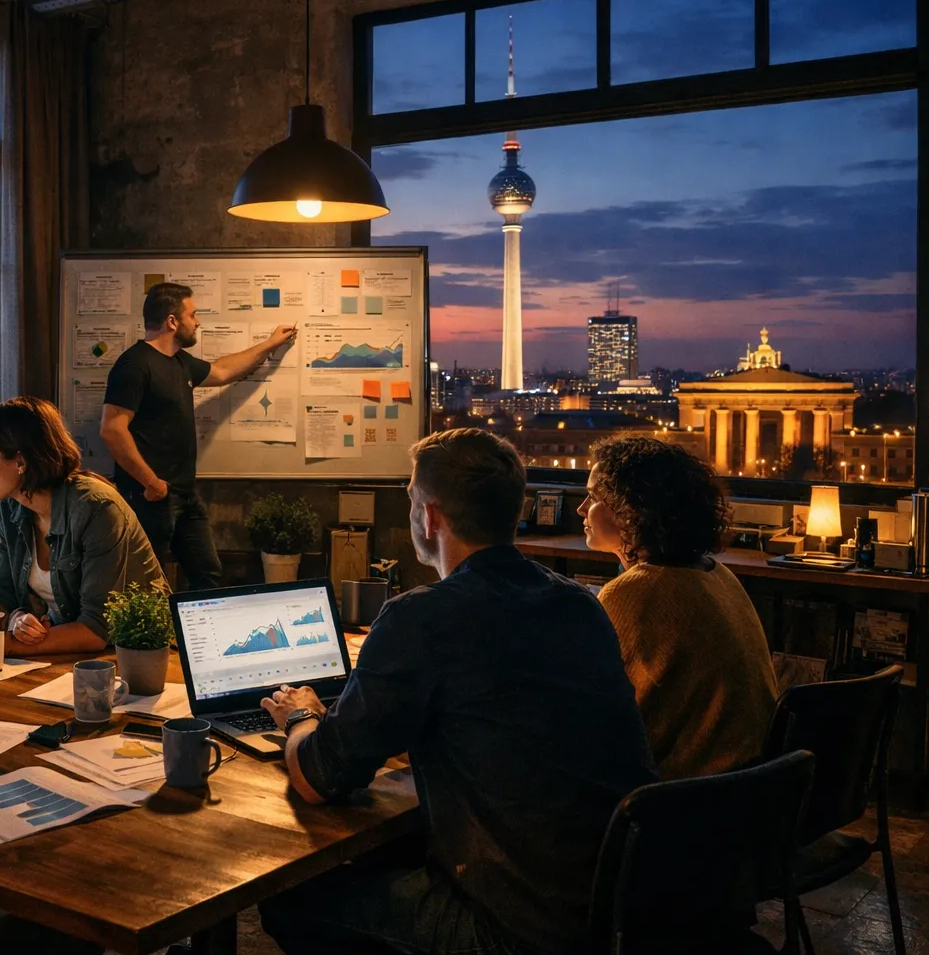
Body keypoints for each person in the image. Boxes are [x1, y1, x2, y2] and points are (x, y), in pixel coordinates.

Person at [257, 428, 656, 955]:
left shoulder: (420, 618)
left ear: (430, 517)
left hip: (513, 928)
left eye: (411, 500)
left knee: (288, 894)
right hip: (616, 907)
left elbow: (318, 779)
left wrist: (301, 716)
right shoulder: (580, 604)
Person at [578, 434, 778, 780]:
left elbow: (594, 710)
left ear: (632, 510)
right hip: (753, 789)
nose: (581, 508)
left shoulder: (634, 591)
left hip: (686, 800)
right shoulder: (718, 575)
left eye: (593, 497)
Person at [0, 396, 166, 656]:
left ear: (21, 462)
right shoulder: (11, 501)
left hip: (137, 657)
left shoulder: (97, 507)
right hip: (68, 653)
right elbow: (2, 590)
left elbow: (95, 630)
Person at [101, 282, 296, 589]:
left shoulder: (179, 362)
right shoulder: (134, 365)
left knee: (208, 575)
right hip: (150, 497)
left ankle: (200, 637)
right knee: (144, 583)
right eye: (193, 315)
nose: (198, 322)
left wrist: (269, 344)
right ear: (172, 321)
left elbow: (221, 371)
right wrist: (151, 483)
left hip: (185, 494)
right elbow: (112, 429)